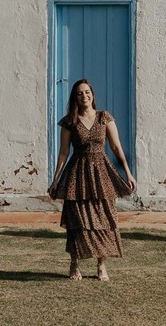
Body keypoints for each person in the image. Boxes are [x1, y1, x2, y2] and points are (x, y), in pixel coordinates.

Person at [47, 78, 136, 281]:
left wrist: (128, 173)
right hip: (77, 174)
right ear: (75, 97)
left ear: (92, 95)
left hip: (101, 174)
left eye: (87, 92)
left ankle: (101, 264)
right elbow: (63, 153)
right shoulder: (70, 122)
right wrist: (55, 180)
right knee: (77, 220)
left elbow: (116, 147)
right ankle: (74, 263)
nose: (84, 95)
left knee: (103, 218)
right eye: (79, 93)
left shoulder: (105, 118)